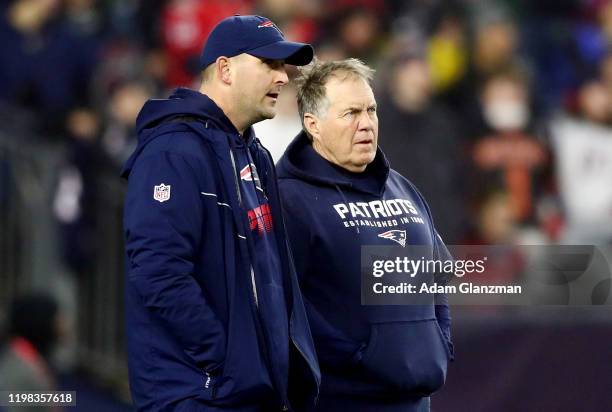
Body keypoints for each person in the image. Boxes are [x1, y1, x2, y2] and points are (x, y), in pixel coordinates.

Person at [121, 15, 319, 412]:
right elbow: (159, 272)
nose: (283, 78)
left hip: (248, 391)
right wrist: (226, 358)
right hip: (202, 394)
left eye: (284, 67)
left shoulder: (252, 151)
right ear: (225, 69)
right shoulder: (173, 151)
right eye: (270, 64)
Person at [276, 59, 453, 411]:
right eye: (351, 113)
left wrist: (440, 342)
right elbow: (284, 305)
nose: (366, 124)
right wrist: (357, 356)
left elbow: (439, 274)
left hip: (415, 400)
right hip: (340, 401)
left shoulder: (401, 188)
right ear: (313, 124)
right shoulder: (288, 200)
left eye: (371, 110)